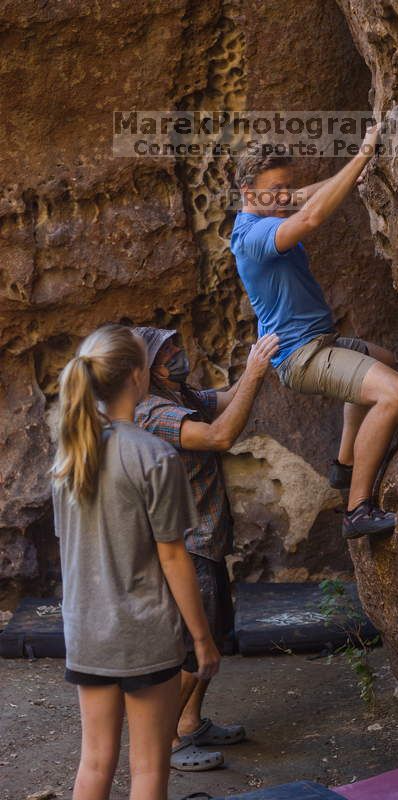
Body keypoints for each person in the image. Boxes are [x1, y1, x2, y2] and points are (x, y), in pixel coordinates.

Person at [51, 323, 221, 800]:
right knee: (148, 770)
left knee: (95, 761)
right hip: (145, 632)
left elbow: (72, 549)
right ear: (137, 376)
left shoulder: (67, 459)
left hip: (86, 632)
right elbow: (173, 556)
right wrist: (202, 639)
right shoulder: (154, 455)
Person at [230, 124, 398, 540]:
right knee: (393, 392)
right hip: (302, 356)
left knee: (385, 360)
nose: (284, 197)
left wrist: (352, 172)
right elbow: (310, 215)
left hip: (319, 343)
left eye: (286, 187)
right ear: (245, 190)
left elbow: (304, 197)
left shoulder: (270, 207)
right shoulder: (253, 235)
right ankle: (358, 509)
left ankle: (344, 464)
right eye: (275, 189)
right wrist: (364, 154)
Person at [133, 326, 279, 771]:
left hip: (206, 541)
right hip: (187, 545)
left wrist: (263, 355)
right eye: (167, 350)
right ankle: (165, 744)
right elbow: (218, 437)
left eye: (178, 343)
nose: (178, 352)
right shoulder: (153, 412)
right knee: (191, 652)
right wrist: (254, 373)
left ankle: (190, 723)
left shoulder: (184, 397)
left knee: (211, 637)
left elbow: (230, 394)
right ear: (146, 369)